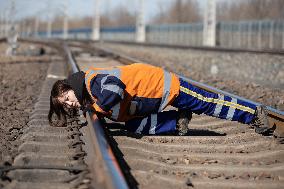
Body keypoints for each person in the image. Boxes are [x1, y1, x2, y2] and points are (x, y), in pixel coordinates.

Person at [48, 63, 271, 136]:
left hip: (165, 87)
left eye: (67, 98)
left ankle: (254, 113)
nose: (70, 104)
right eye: (66, 105)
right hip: (152, 100)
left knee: (208, 103)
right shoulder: (90, 96)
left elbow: (115, 90)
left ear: (72, 87)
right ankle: (177, 121)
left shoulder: (93, 82)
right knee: (133, 125)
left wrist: (97, 108)